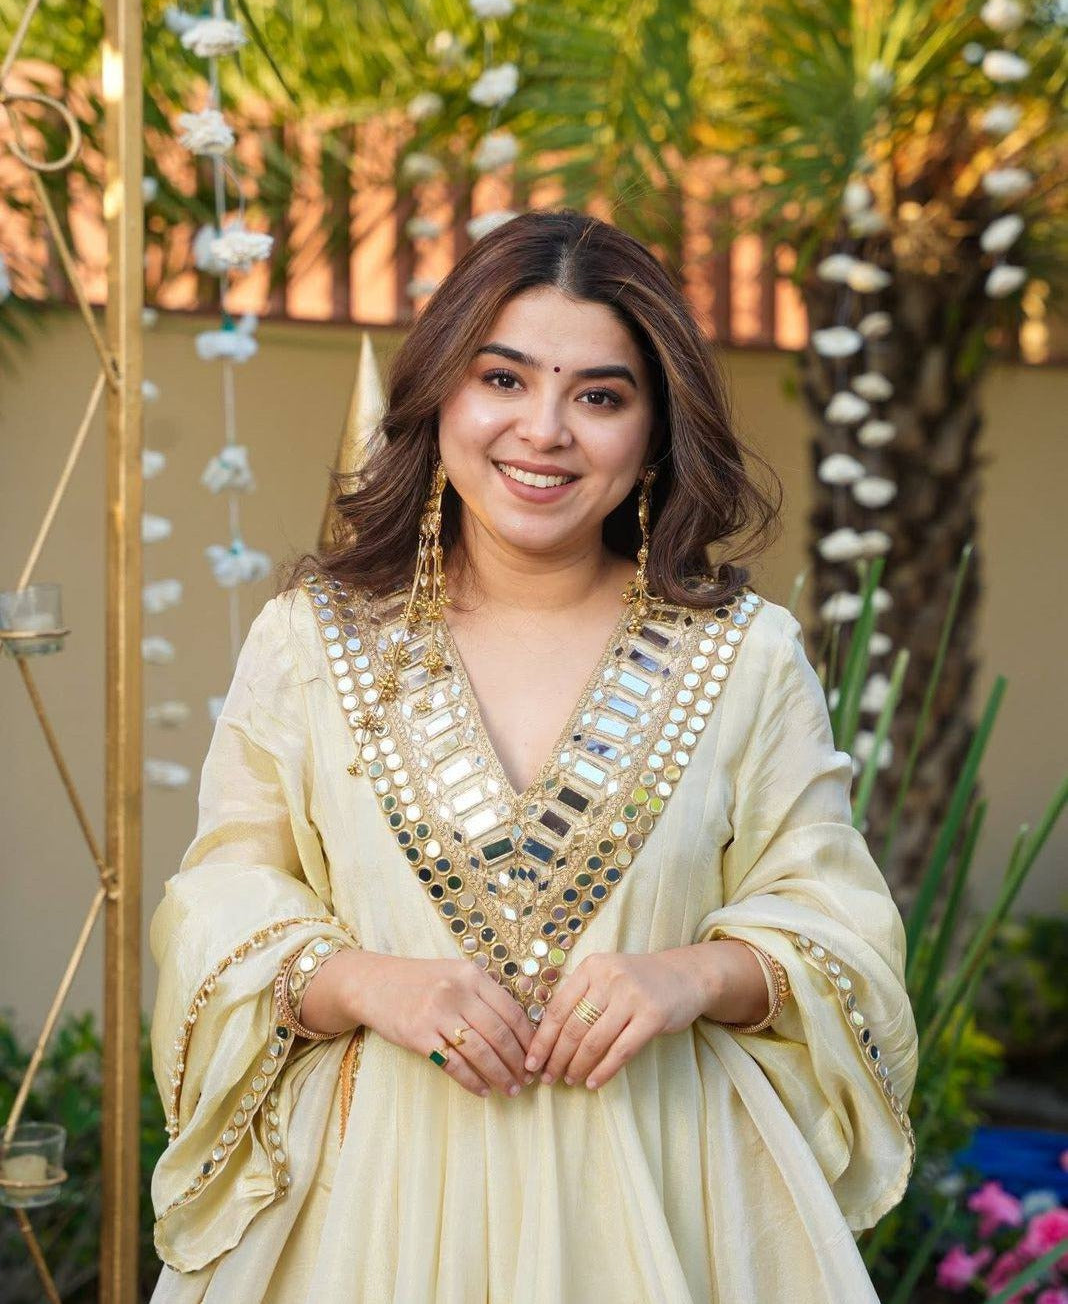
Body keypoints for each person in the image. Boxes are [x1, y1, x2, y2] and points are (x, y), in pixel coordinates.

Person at [147, 209, 917, 1303]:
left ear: (654, 432)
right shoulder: (313, 641)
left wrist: (690, 975)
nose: (543, 430)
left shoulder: (744, 657)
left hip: (663, 1205)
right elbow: (218, 903)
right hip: (368, 1214)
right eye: (502, 379)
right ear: (440, 396)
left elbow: (838, 923)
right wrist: (365, 981)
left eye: (599, 397)